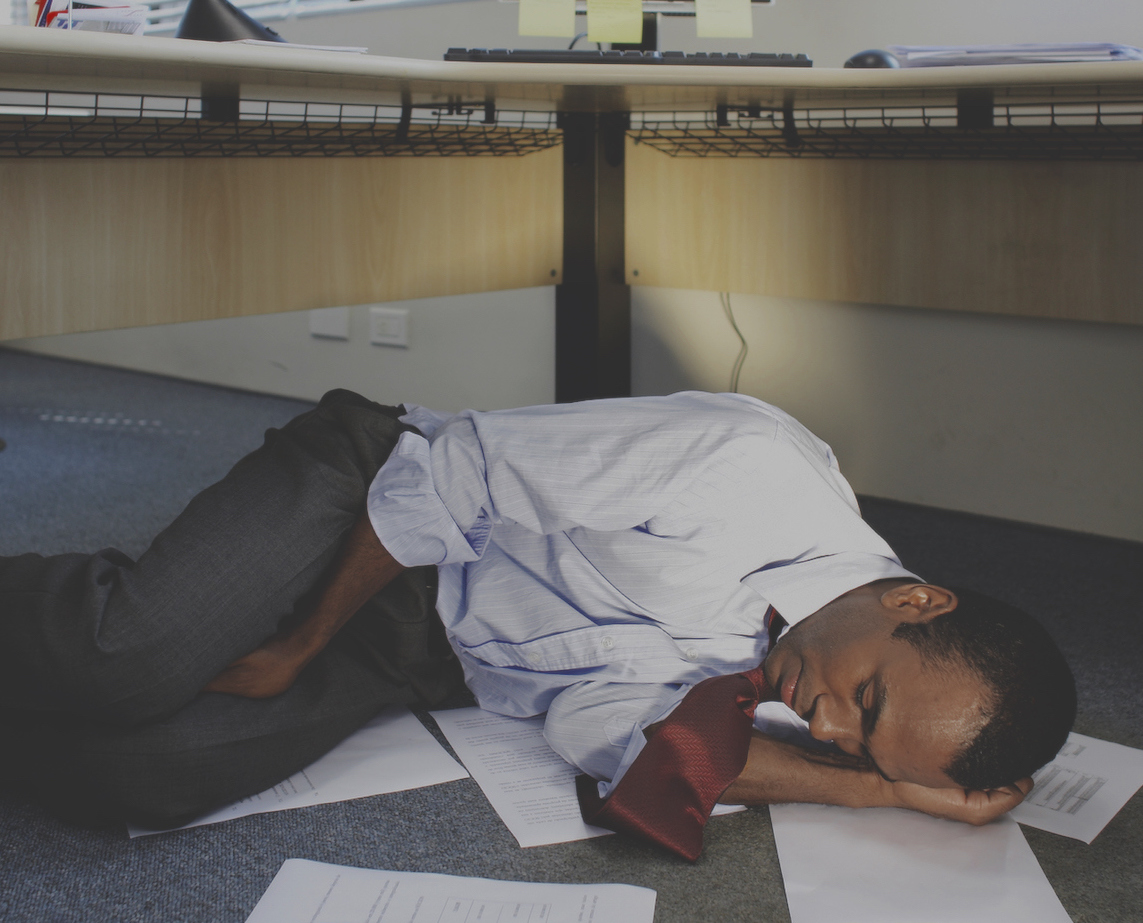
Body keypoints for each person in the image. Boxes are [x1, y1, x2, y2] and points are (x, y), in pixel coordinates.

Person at [0, 389, 1075, 840]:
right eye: (869, 696)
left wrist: (891, 793)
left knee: (133, 779)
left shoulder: (769, 675)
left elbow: (637, 747)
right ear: (914, 600)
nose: (831, 723)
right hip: (367, 500)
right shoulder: (747, 467)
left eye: (862, 740)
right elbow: (453, 472)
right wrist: (296, 642)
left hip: (427, 651)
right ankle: (130, 609)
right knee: (124, 658)